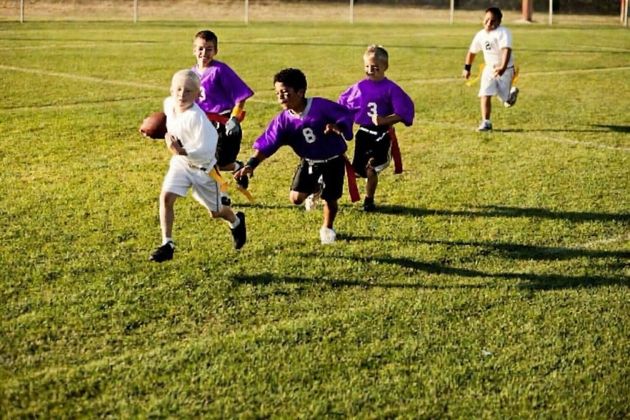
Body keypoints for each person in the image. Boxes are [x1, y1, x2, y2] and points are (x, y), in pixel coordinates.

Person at [233, 68, 354, 245]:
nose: (280, 97)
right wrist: (251, 164)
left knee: (330, 198)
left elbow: (345, 115)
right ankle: (315, 188)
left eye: (285, 92)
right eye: (277, 93)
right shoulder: (283, 120)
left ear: (301, 91)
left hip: (333, 160)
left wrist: (339, 127)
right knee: (296, 199)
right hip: (309, 161)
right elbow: (268, 141)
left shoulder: (320, 106)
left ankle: (327, 228)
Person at [149, 69, 246, 263]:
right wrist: (158, 132)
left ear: (198, 95)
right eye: (178, 89)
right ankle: (167, 243)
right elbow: (169, 125)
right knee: (166, 197)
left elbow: (208, 150)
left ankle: (236, 222)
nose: (181, 95)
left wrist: (180, 150)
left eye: (188, 91)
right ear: (170, 90)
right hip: (181, 165)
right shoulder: (169, 104)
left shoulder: (197, 118)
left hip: (204, 169)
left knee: (216, 212)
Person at [338, 44, 415, 212]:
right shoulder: (359, 87)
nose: (370, 70)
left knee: (371, 169)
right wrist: (339, 123)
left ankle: (369, 200)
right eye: (367, 67)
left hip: (382, 135)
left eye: (375, 67)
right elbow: (343, 106)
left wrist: (385, 120)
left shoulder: (391, 88)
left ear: (385, 67)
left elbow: (404, 112)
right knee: (358, 171)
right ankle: (322, 188)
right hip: (363, 134)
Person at [191, 29, 255, 197]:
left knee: (218, 162)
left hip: (224, 124)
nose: (204, 53)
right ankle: (222, 191)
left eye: (209, 49)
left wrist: (234, 118)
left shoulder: (220, 70)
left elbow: (241, 96)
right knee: (204, 162)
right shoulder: (191, 74)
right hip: (204, 124)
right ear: (193, 49)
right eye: (200, 48)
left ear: (216, 51)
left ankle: (233, 171)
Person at [462, 6, 519, 132]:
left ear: (499, 22)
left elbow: (506, 50)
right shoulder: (480, 35)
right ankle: (486, 122)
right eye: (486, 20)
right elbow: (472, 52)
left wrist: (503, 67)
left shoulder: (503, 32)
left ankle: (509, 96)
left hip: (506, 69)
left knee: (505, 100)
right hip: (489, 69)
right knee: (485, 93)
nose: (488, 23)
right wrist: (467, 68)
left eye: (492, 21)